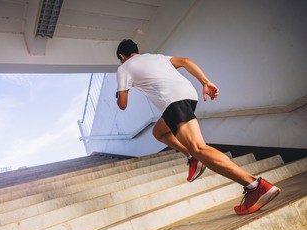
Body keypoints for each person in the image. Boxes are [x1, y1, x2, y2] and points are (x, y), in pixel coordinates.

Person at [115, 39, 280, 215]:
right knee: (159, 131)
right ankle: (191, 156)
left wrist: (120, 91)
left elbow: (122, 104)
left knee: (199, 147)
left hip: (172, 101)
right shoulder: (157, 57)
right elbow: (185, 61)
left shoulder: (124, 68)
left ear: (121, 56)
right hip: (188, 95)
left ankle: (254, 185)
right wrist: (205, 82)